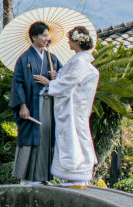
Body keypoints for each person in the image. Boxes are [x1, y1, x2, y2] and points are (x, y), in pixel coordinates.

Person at [35, 25, 99, 188]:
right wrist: (58, 76)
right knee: (76, 138)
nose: (68, 43)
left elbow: (69, 82)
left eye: (70, 40)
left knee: (75, 139)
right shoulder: (79, 60)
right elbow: (69, 78)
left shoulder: (80, 61)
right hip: (75, 109)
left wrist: (50, 83)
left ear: (77, 42)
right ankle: (76, 176)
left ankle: (78, 175)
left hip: (74, 110)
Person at [9, 21, 61, 185]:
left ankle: (44, 176)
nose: (47, 38)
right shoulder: (25, 58)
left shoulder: (52, 58)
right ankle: (27, 178)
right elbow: (17, 83)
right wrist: (22, 105)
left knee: (47, 138)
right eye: (44, 35)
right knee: (31, 138)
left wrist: (54, 77)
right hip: (31, 105)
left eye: (47, 35)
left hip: (48, 104)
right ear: (34, 37)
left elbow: (64, 79)